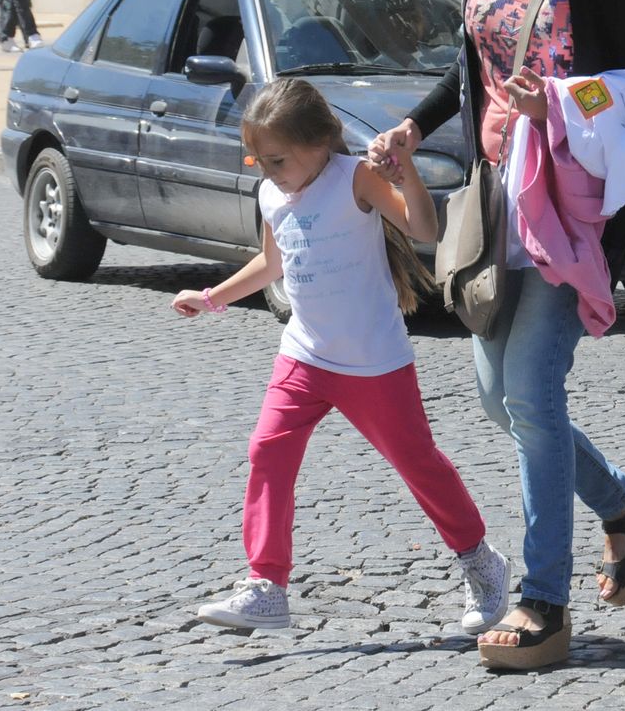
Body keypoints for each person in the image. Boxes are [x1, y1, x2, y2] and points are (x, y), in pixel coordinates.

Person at [366, 0, 625, 671]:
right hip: (498, 195)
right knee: (499, 399)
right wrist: (416, 128)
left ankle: (544, 600)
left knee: (532, 391)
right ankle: (623, 506)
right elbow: (472, 62)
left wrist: (567, 101)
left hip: (574, 207)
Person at [170, 78, 510, 634]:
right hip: (304, 356)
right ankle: (266, 583)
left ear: (320, 141)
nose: (269, 173)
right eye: (261, 161)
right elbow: (271, 264)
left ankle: (480, 559)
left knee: (417, 464)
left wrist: (408, 172)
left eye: (278, 160)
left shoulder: (354, 177)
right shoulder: (272, 194)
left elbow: (423, 227)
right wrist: (211, 298)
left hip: (373, 361)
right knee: (267, 452)